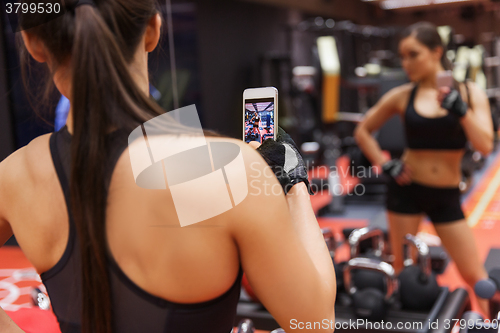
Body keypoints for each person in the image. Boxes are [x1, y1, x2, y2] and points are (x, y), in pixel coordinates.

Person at [0, 0, 335, 332]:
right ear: (152, 30)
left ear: (33, 43)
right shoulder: (226, 169)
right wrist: (293, 184)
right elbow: (315, 323)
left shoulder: (17, 174)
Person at [354, 22, 493, 316]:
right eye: (402, 56)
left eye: (413, 54)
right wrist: (384, 163)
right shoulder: (403, 95)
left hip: (445, 196)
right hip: (406, 189)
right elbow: (363, 131)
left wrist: (461, 112)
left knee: (474, 274)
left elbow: (486, 146)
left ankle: (490, 322)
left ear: (436, 52)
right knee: (402, 271)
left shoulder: (469, 93)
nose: (406, 63)